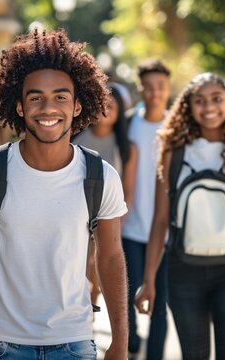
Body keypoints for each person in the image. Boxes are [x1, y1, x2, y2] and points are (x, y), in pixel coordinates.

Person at [0, 28, 128, 360]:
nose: (48, 108)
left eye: (61, 97)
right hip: (5, 344)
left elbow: (111, 257)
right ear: (18, 106)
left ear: (76, 107)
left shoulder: (100, 176)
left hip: (75, 342)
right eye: (36, 98)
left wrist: (121, 340)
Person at [135, 72, 225, 359]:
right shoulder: (173, 153)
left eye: (216, 99)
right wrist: (148, 279)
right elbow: (160, 221)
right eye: (200, 100)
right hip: (183, 272)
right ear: (188, 107)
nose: (209, 107)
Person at [122, 59, 172, 359]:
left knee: (161, 304)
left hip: (166, 232)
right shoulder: (128, 124)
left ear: (168, 89)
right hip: (130, 227)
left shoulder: (178, 125)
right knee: (126, 297)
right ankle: (131, 345)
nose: (155, 93)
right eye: (149, 87)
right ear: (141, 88)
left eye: (161, 87)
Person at [72, 83, 134, 308]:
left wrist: (118, 219)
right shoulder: (76, 138)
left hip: (107, 216)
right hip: (75, 212)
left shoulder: (124, 146)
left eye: (112, 106)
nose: (105, 110)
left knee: (95, 264)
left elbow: (128, 188)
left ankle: (91, 307)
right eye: (101, 104)